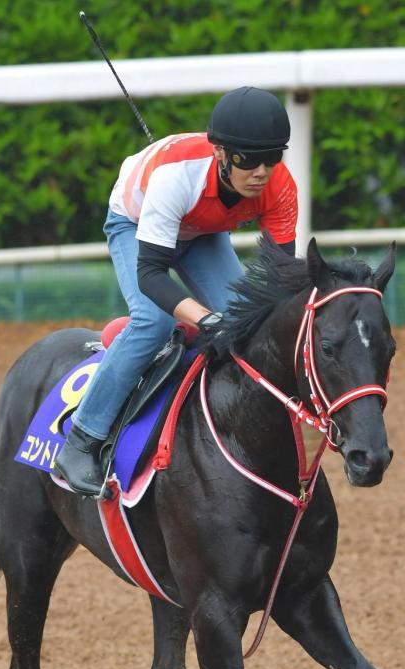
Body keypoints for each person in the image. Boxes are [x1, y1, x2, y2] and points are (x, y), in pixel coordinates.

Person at [54, 86, 298, 497]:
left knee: (249, 324)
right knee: (154, 321)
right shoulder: (175, 177)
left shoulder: (279, 185)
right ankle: (82, 441)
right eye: (248, 159)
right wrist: (204, 318)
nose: (261, 171)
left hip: (201, 230)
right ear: (221, 153)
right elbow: (151, 275)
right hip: (134, 225)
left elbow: (279, 281)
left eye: (273, 157)